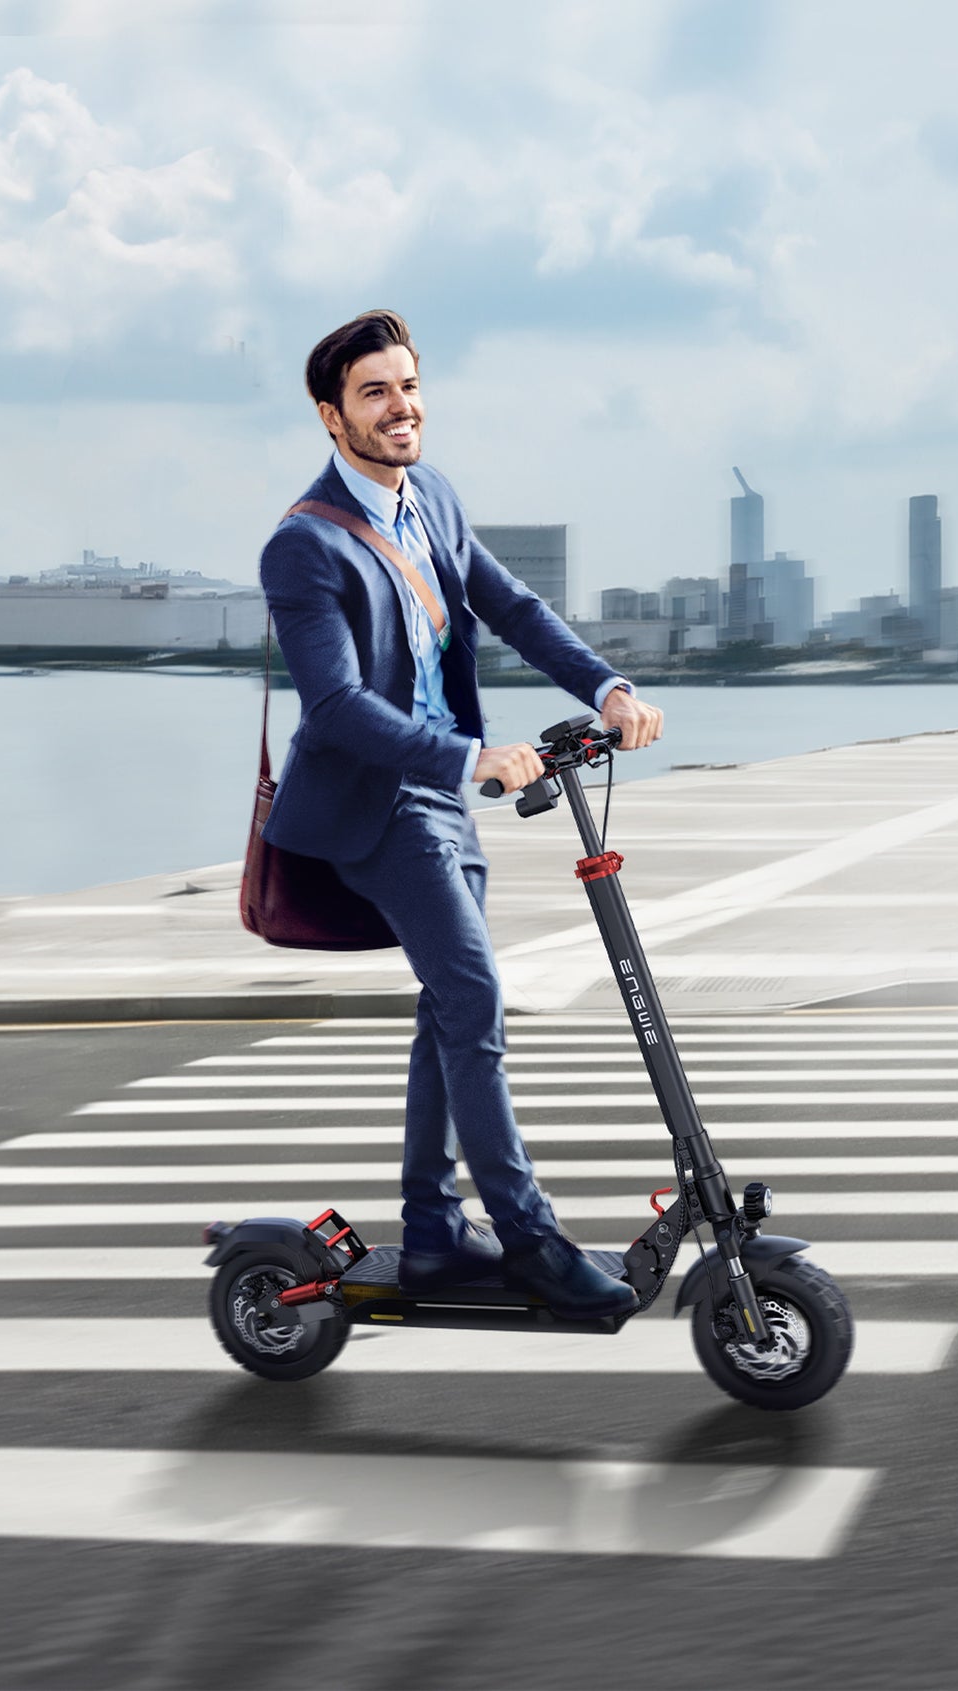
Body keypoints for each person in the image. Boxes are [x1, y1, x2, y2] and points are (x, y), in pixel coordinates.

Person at [259, 309, 663, 1318]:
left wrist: (605, 687)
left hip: (441, 796)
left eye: (407, 387)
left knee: (448, 1005)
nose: (400, 408)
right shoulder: (302, 548)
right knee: (473, 996)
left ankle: (433, 1230)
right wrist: (470, 756)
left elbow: (511, 605)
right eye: (373, 392)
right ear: (330, 415)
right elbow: (339, 708)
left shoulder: (430, 496)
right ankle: (528, 1238)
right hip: (376, 801)